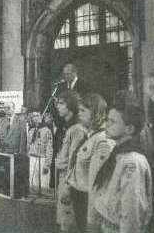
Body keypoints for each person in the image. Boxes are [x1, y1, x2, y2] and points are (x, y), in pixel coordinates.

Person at [93, 90, 152, 233]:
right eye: (107, 119)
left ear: (129, 129)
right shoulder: (118, 154)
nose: (106, 124)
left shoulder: (132, 161)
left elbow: (131, 211)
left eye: (112, 121)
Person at [67, 94, 114, 233]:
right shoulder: (90, 135)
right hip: (79, 196)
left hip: (88, 200)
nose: (79, 114)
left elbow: (97, 183)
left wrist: (92, 220)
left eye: (83, 111)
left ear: (95, 112)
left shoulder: (102, 140)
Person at [55, 90, 86, 233]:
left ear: (71, 106)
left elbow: (74, 161)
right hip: (64, 179)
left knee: (68, 225)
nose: (58, 106)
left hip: (69, 182)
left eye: (61, 103)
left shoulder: (77, 129)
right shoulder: (70, 128)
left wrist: (67, 187)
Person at [27, 111, 53, 193]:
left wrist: (47, 163)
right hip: (32, 158)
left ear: (41, 117)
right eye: (34, 116)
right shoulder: (31, 131)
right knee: (33, 184)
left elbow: (49, 148)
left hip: (42, 159)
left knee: (44, 184)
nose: (36, 118)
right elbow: (28, 145)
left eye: (37, 116)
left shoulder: (47, 130)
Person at [8, 105, 30, 198]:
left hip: (17, 152)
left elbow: (23, 136)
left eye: (8, 107)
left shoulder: (20, 120)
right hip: (7, 152)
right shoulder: (4, 120)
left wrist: (21, 152)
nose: (7, 109)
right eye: (5, 108)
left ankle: (20, 194)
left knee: (18, 173)